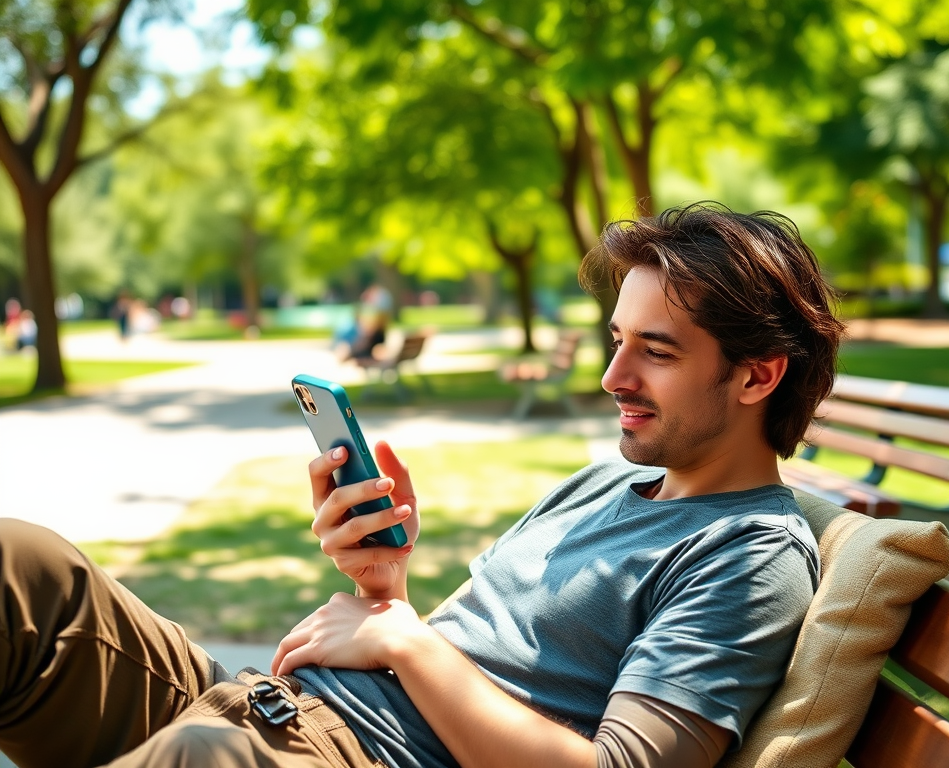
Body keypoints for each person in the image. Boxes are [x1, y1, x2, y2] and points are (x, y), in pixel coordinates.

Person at [0, 202, 845, 768]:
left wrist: (403, 640)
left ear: (756, 375)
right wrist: (385, 590)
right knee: (21, 566)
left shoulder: (749, 553)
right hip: (277, 710)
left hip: (338, 754)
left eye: (656, 352)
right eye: (615, 339)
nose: (611, 376)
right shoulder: (604, 484)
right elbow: (489, 664)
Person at [334, 283, 394, 362]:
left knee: (344, 350)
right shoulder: (378, 325)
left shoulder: (375, 326)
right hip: (359, 348)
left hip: (362, 351)